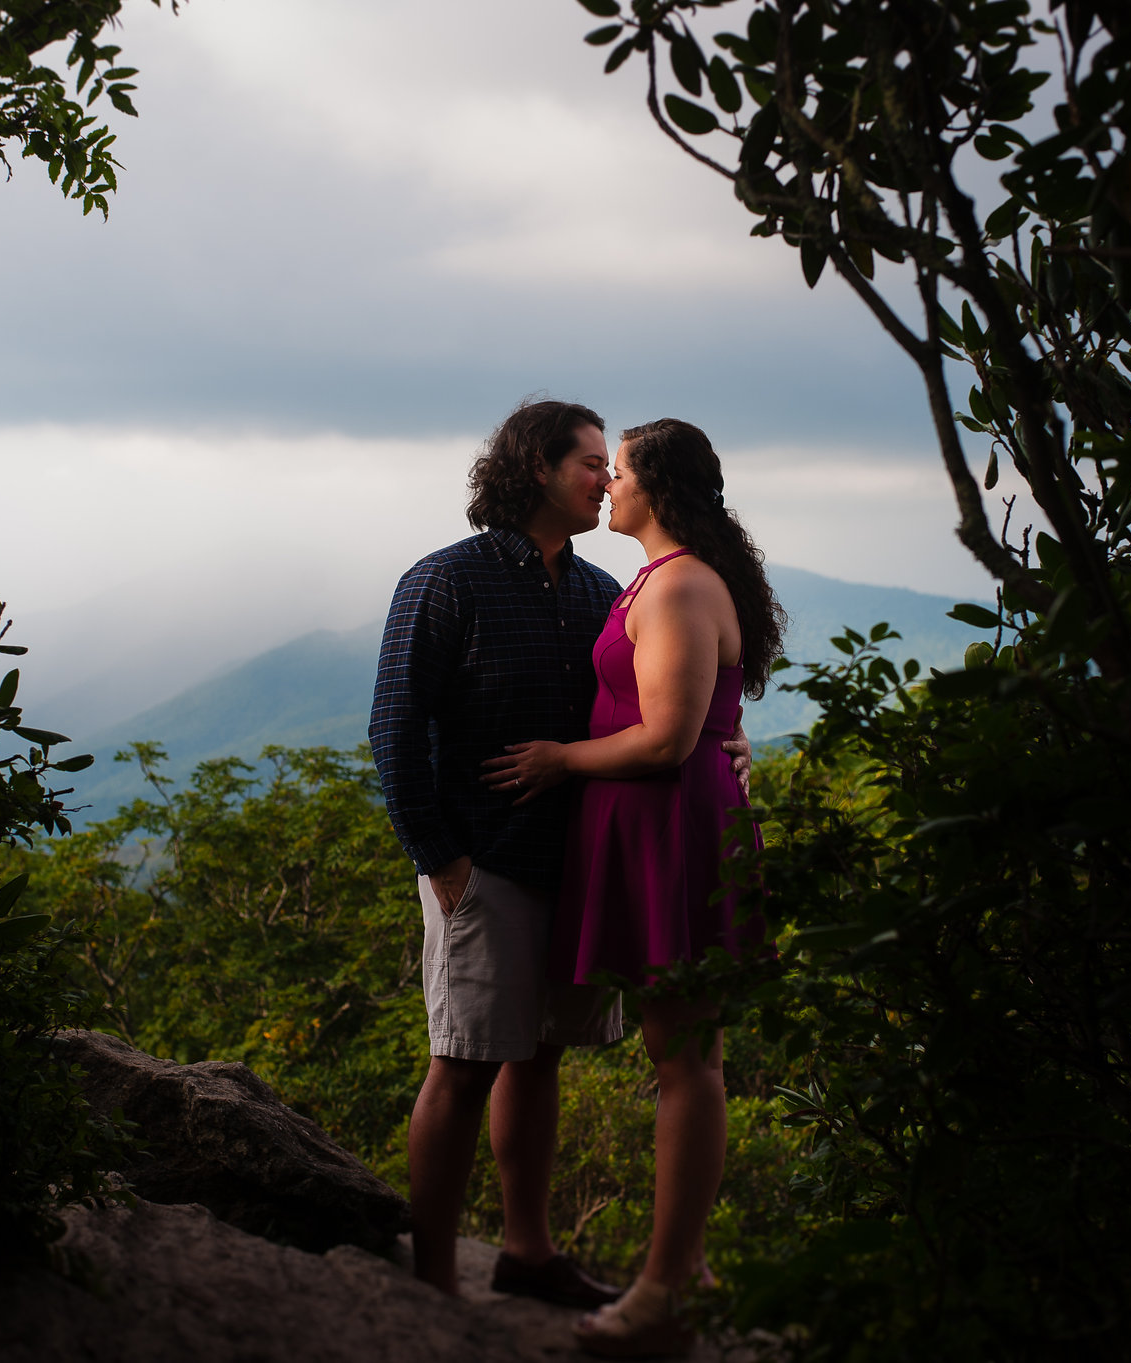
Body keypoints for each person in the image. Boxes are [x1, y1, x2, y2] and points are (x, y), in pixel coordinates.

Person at [480, 418, 784, 1358]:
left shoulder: (684, 581)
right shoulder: (658, 580)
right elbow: (699, 721)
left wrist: (561, 758)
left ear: (659, 488)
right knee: (679, 1054)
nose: (607, 484)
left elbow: (665, 736)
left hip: (670, 832)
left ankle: (665, 1287)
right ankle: (681, 1273)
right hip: (647, 827)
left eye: (620, 472)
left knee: (684, 1060)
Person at [369, 398, 629, 1307]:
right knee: (464, 1057)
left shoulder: (602, 593)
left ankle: (527, 1253)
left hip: (573, 865)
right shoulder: (447, 581)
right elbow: (395, 728)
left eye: (608, 464)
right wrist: (442, 860)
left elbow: (637, 719)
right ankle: (432, 1279)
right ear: (535, 470)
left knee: (541, 1054)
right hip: (481, 865)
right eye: (592, 462)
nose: (608, 478)